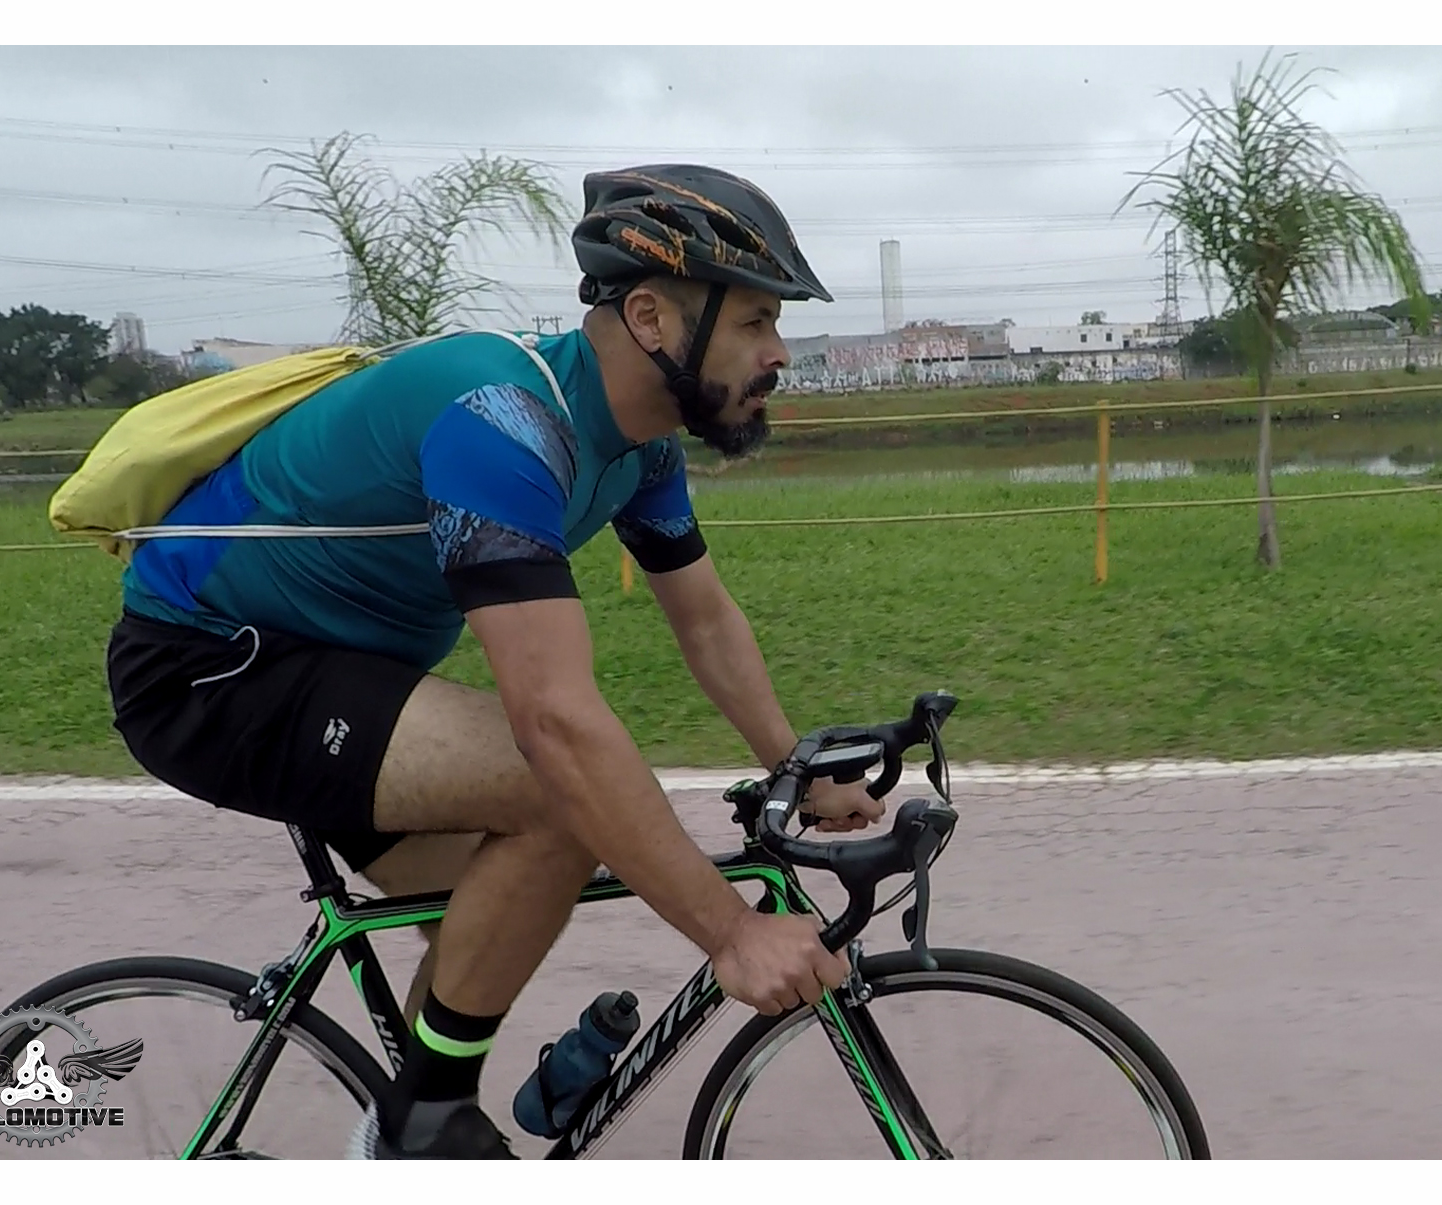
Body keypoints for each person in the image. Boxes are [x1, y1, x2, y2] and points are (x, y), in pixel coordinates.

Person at [103, 164, 883, 1158]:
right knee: (554, 790)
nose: (777, 353)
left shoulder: (638, 449)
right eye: (754, 322)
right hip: (212, 669)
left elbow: (704, 621)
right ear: (650, 317)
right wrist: (731, 933)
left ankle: (399, 1137)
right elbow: (553, 717)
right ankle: (426, 1123)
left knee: (515, 882)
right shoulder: (502, 418)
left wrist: (797, 765)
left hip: (349, 686)